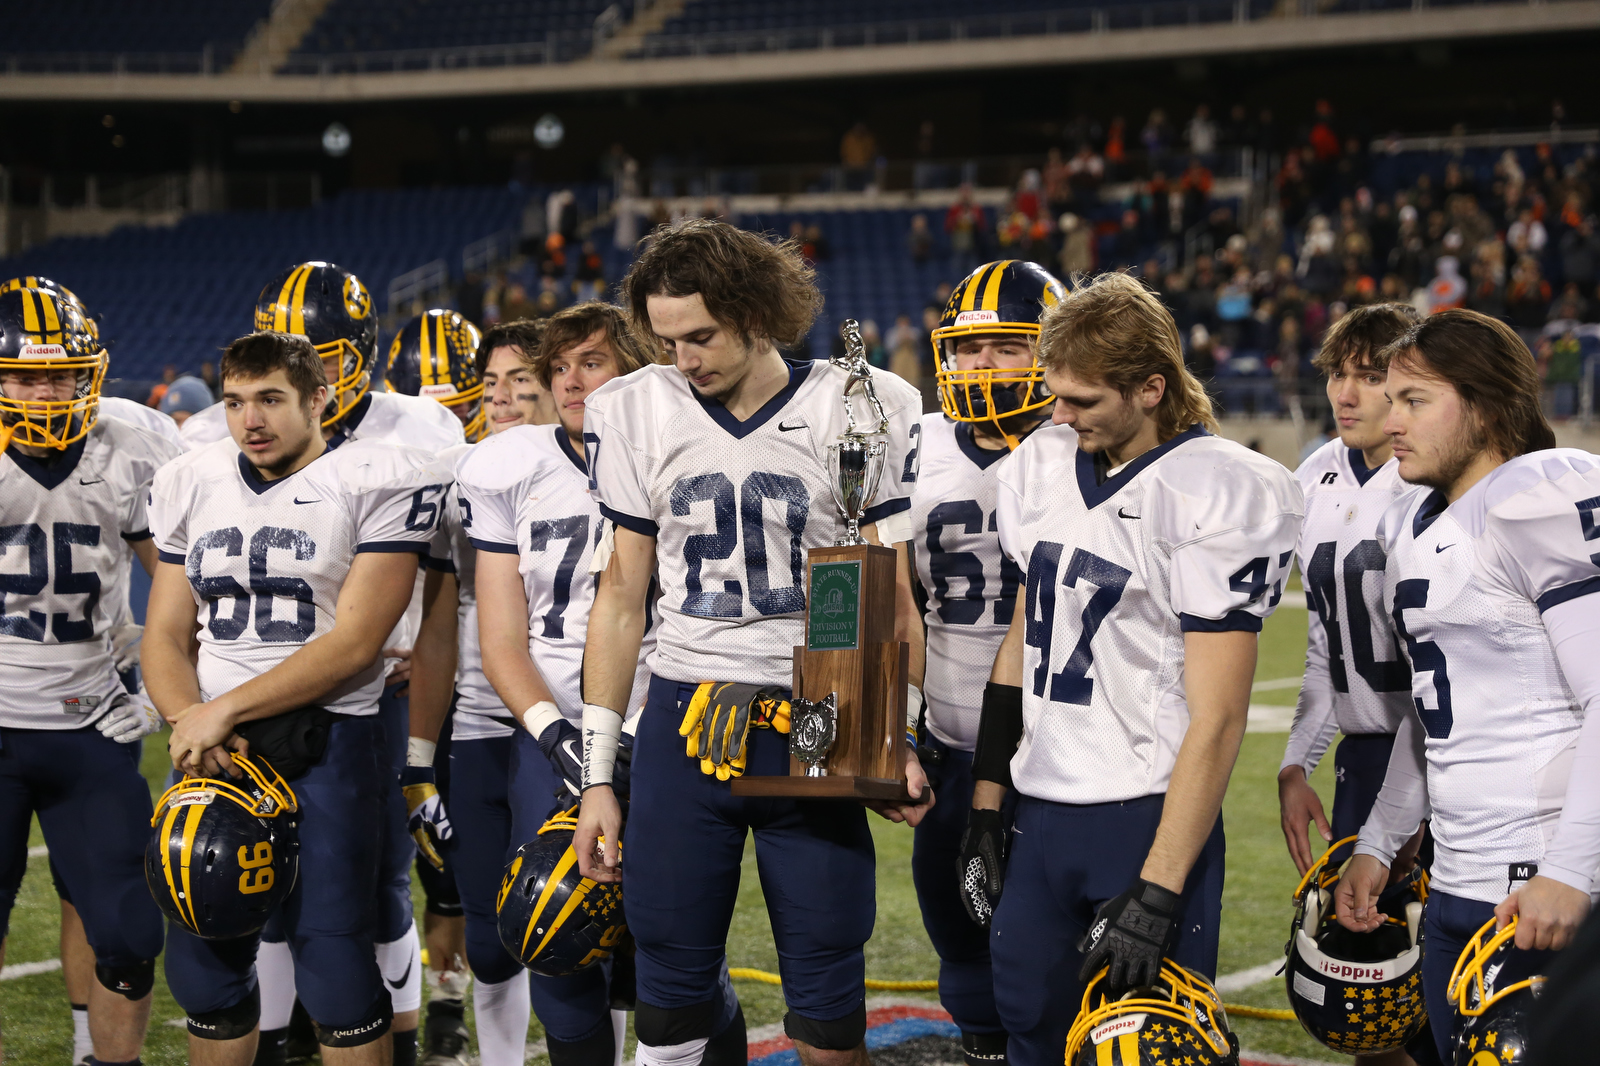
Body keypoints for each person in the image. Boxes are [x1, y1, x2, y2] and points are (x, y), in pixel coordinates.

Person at [575, 218, 929, 1066]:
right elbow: (623, 597)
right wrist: (598, 773)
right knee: (667, 989)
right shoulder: (632, 408)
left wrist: (897, 733)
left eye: (700, 335)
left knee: (827, 993)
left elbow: (886, 592)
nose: (683, 359)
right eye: (665, 341)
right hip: (683, 716)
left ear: (760, 312)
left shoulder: (859, 402)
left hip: (812, 711)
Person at [961, 272, 1302, 1066]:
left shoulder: (1213, 490)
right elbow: (1023, 641)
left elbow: (1218, 719)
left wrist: (1158, 886)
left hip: (1144, 814)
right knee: (1029, 1029)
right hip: (1039, 810)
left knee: (1148, 1049)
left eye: (1081, 400)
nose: (1057, 414)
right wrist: (986, 803)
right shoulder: (1039, 466)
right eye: (1056, 394)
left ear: (1151, 388)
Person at [183, 264, 465, 1066]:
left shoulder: (423, 433)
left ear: (365, 355)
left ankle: (409, 1033)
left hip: (365, 695)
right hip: (245, 702)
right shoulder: (210, 440)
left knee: (367, 897)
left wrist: (417, 676)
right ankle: (280, 1037)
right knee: (242, 895)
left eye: (334, 356)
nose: (321, 374)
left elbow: (438, 592)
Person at [1335, 310, 1600, 1063]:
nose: (1392, 419)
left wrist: (1569, 873)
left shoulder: (1538, 494)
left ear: (1486, 405)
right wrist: (1382, 844)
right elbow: (1432, 707)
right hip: (1458, 880)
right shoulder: (1418, 519)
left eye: (1416, 400)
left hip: (1539, 884)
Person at [452, 302, 666, 1066]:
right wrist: (559, 739)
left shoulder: (678, 451)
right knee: (554, 934)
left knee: (665, 952)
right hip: (548, 738)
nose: (571, 380)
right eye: (561, 366)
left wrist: (628, 745)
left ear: (637, 369)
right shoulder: (508, 465)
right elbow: (503, 637)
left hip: (663, 726)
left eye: (593, 362)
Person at [0, 285, 178, 1066]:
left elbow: (178, 584)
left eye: (62, 375)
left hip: (92, 720)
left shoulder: (135, 442)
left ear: (90, 373)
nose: (45, 393)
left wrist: (153, 677)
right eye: (25, 378)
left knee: (130, 936)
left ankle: (100, 1058)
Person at [1278, 303, 1441, 1066]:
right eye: (1339, 373)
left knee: (1442, 989)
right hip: (1361, 758)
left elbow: (1440, 675)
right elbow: (1321, 647)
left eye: (1370, 376)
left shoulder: (1427, 486)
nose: (1347, 393)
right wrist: (1292, 764)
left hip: (1440, 757)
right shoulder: (1316, 473)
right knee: (1361, 998)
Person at [912, 260, 1066, 1066]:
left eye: (1006, 347)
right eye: (967, 350)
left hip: (1058, 752)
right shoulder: (918, 443)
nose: (979, 368)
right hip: (948, 738)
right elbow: (893, 594)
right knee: (958, 936)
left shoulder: (1084, 443)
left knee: (1051, 955)